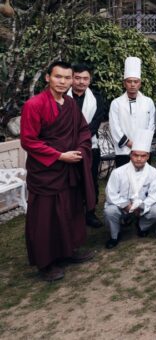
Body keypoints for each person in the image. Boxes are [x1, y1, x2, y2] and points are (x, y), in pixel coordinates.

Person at [20, 61, 95, 281]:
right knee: (45, 217)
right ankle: (46, 262)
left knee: (69, 211)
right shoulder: (34, 105)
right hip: (47, 171)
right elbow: (28, 141)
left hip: (70, 168)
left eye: (67, 77)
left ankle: (68, 250)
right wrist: (59, 156)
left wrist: (81, 149)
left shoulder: (71, 104)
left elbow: (82, 130)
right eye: (58, 77)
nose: (63, 82)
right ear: (47, 78)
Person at [103, 130, 156, 249]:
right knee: (110, 211)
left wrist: (141, 206)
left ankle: (142, 227)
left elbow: (154, 195)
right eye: (136, 155)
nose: (139, 159)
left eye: (143, 155)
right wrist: (126, 206)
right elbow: (111, 194)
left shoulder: (153, 172)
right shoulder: (118, 172)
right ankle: (115, 235)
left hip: (141, 207)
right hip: (122, 207)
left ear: (148, 156)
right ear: (131, 155)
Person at [68, 63, 107, 228]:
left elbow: (96, 122)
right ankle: (72, 214)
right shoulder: (63, 97)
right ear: (72, 79)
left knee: (90, 180)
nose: (81, 82)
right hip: (66, 148)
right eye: (77, 78)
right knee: (70, 182)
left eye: (85, 78)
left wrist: (80, 140)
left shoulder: (97, 98)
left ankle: (90, 213)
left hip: (91, 146)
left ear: (89, 80)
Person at [109, 57, 155, 168]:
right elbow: (115, 127)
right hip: (124, 151)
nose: (132, 84)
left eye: (136, 81)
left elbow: (151, 125)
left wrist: (140, 144)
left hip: (143, 149)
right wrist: (130, 144)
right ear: (124, 83)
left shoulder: (148, 102)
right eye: (129, 81)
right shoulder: (116, 103)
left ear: (140, 83)